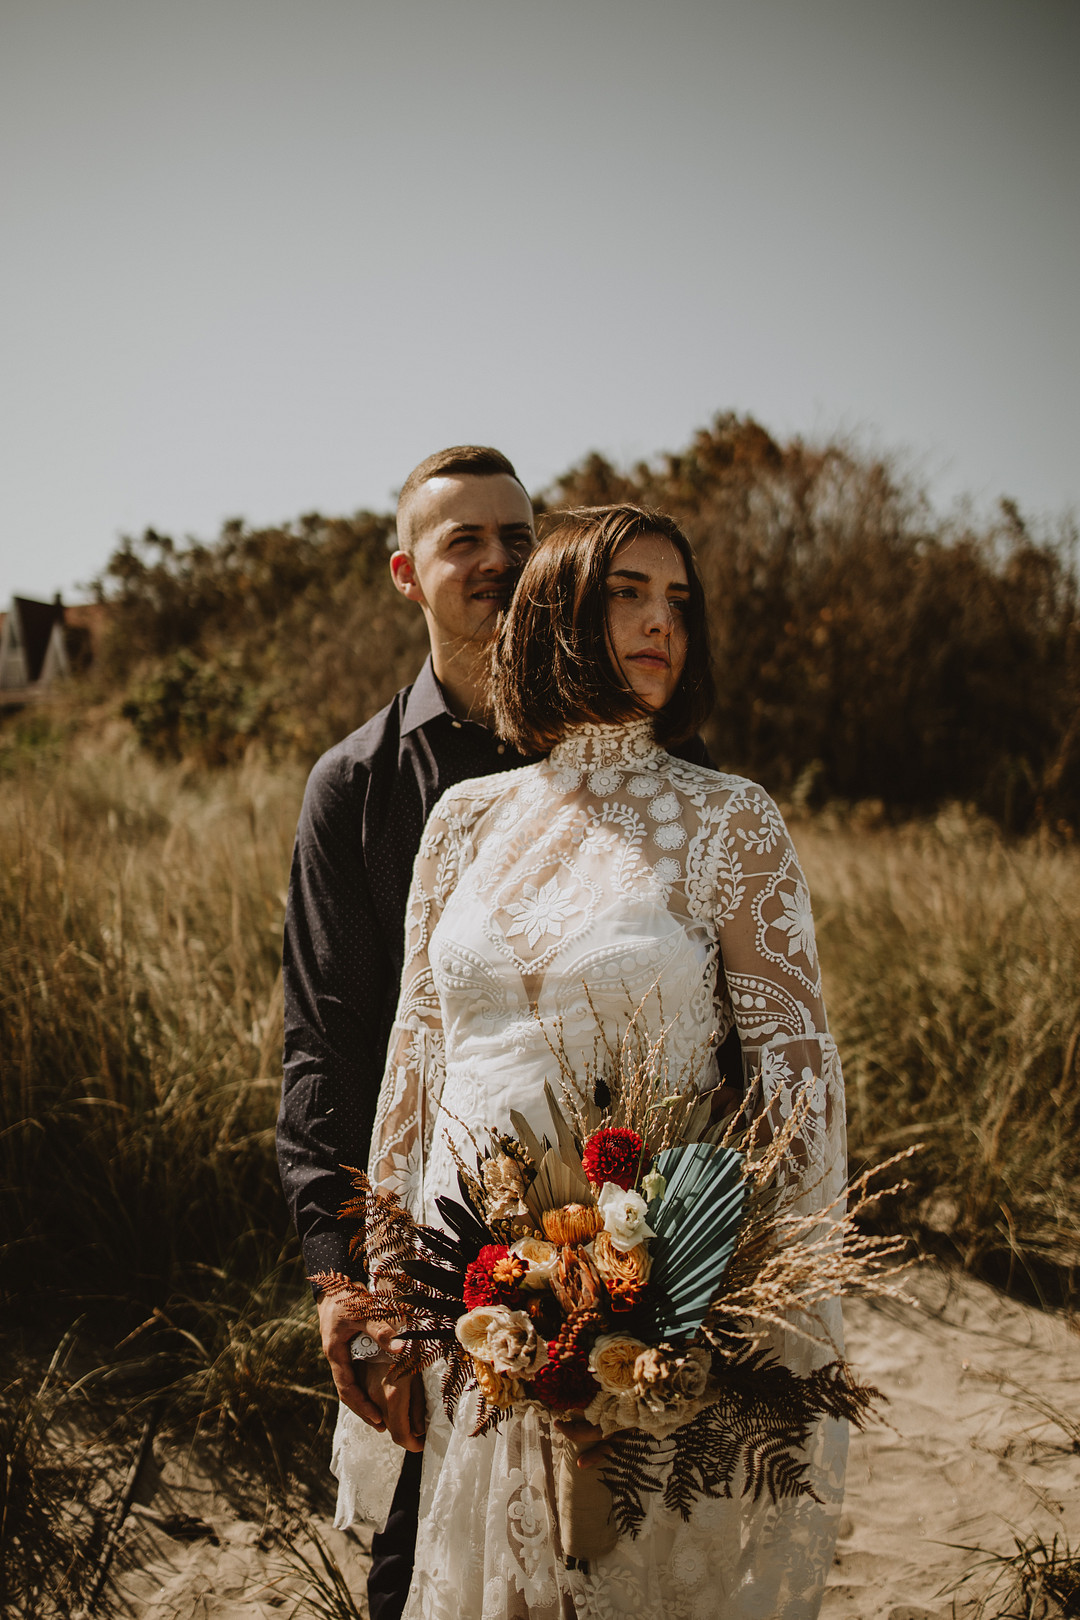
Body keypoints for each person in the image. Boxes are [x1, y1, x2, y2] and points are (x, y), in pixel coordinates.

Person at [357, 505, 848, 1619]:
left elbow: (797, 1089)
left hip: (654, 1306)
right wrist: (392, 1286)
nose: (659, 622)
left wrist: (734, 1300)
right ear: (558, 612)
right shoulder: (463, 823)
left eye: (679, 601)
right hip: (471, 1298)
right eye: (628, 592)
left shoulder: (731, 820)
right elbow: (416, 1067)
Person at [277, 444, 538, 1619]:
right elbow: (326, 1041)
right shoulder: (356, 785)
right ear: (407, 573)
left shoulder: (609, 763)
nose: (498, 562)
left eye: (519, 538)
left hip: (607, 1242)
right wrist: (340, 1277)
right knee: (423, 1573)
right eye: (464, 541)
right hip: (429, 1248)